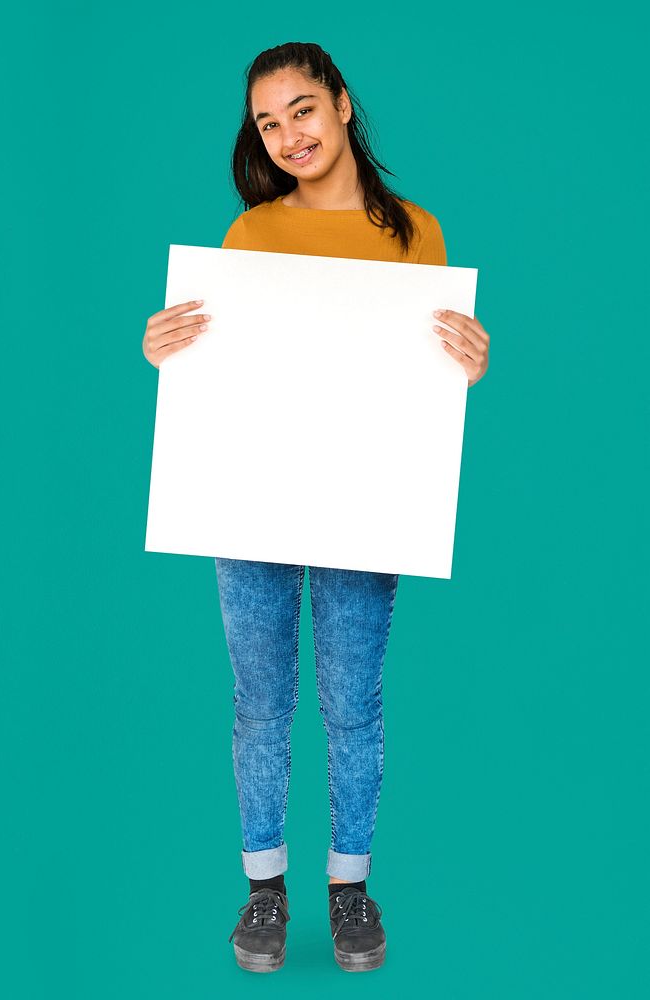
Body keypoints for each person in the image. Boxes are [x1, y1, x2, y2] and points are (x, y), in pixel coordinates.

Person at [142, 41, 490, 974]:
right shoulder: (250, 234)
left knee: (351, 703)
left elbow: (418, 386)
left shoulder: (416, 233)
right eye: (268, 122)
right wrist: (167, 348)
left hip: (363, 499)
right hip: (251, 492)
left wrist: (466, 366)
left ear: (340, 104)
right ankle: (263, 892)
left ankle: (349, 891)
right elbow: (226, 368)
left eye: (302, 109)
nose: (288, 133)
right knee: (260, 703)